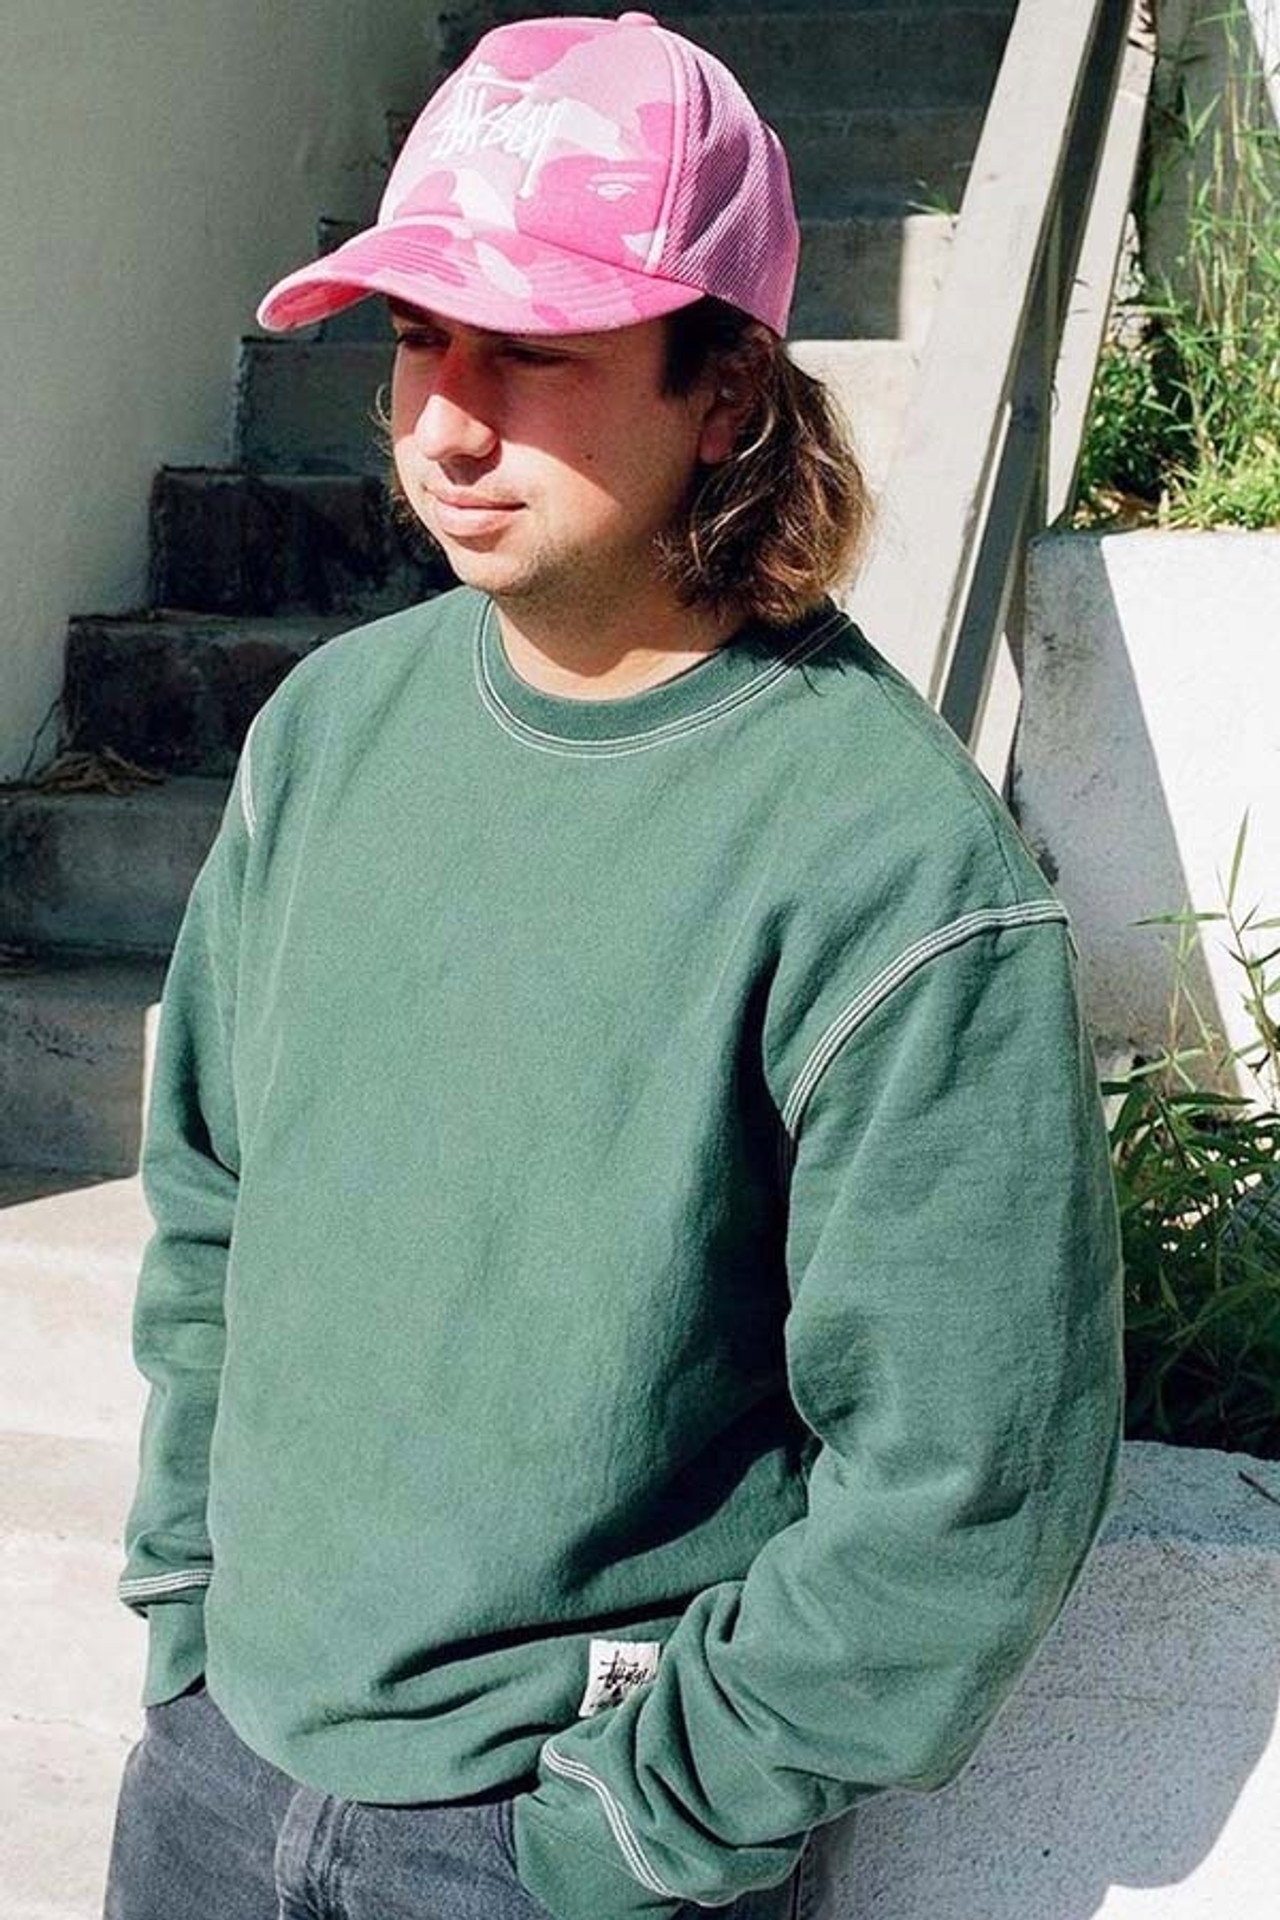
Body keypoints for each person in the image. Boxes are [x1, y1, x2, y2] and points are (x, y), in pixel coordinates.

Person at [103, 13, 1125, 1920]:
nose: (443, 422)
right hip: (218, 1780)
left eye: (534, 351)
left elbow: (967, 1477)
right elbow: (212, 1205)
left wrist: (634, 1828)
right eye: (419, 336)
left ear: (725, 395)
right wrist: (187, 1611)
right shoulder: (331, 730)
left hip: (548, 1848)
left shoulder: (890, 861)